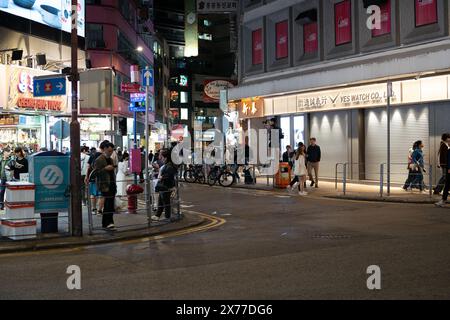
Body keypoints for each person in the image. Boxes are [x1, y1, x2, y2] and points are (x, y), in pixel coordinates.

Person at [94, 141, 117, 229]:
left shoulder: (110, 159)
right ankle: (108, 222)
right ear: (104, 149)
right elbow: (96, 173)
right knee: (108, 204)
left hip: (111, 184)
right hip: (104, 185)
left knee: (110, 204)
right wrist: (105, 169)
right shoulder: (99, 159)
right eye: (109, 151)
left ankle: (107, 222)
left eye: (112, 151)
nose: (110, 153)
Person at [151, 148, 177, 222]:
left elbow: (169, 176)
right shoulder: (168, 164)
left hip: (166, 186)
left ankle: (167, 217)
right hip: (164, 186)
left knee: (166, 202)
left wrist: (161, 177)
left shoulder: (169, 166)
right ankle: (157, 215)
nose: (161, 159)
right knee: (161, 201)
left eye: (162, 157)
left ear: (166, 158)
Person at [86, 145, 104, 215]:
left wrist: (87, 177)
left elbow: (88, 167)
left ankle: (94, 209)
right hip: (102, 178)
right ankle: (100, 211)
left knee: (93, 194)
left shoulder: (92, 156)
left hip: (92, 177)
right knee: (101, 195)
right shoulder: (103, 157)